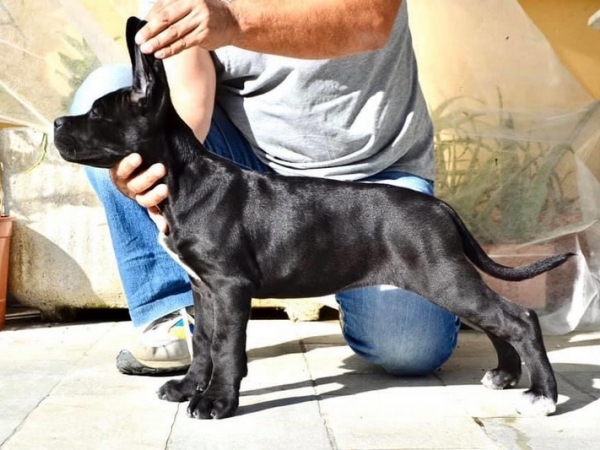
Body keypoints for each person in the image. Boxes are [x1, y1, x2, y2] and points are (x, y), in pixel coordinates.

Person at [69, 0, 461, 376]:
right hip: (252, 168)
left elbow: (371, 19)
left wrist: (231, 20)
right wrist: (153, 172)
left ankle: (343, 271)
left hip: (374, 171)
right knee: (107, 92)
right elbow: (188, 103)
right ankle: (178, 308)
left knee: (410, 347)